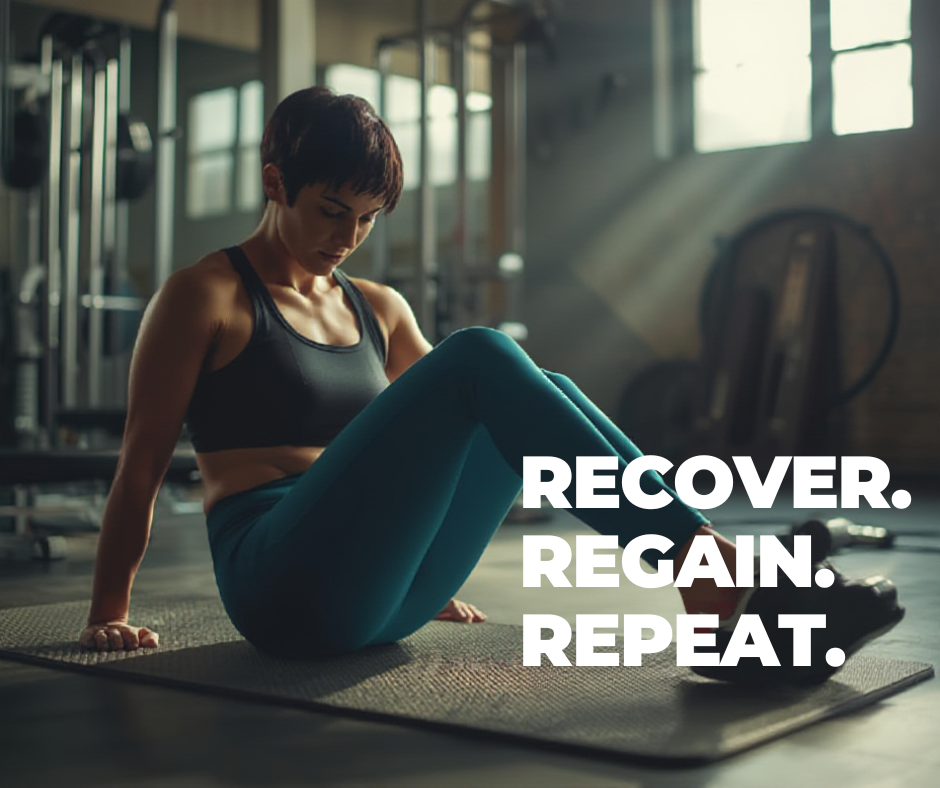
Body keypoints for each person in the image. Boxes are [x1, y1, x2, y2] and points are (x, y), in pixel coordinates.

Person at [79, 87, 903, 684]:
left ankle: (705, 561)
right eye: (332, 210)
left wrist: (413, 566)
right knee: (478, 353)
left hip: (383, 596)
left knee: (540, 382)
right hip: (281, 588)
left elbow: (480, 429)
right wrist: (108, 609)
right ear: (273, 183)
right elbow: (141, 465)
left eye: (367, 219)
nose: (349, 237)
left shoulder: (378, 307)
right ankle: (708, 567)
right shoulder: (204, 295)